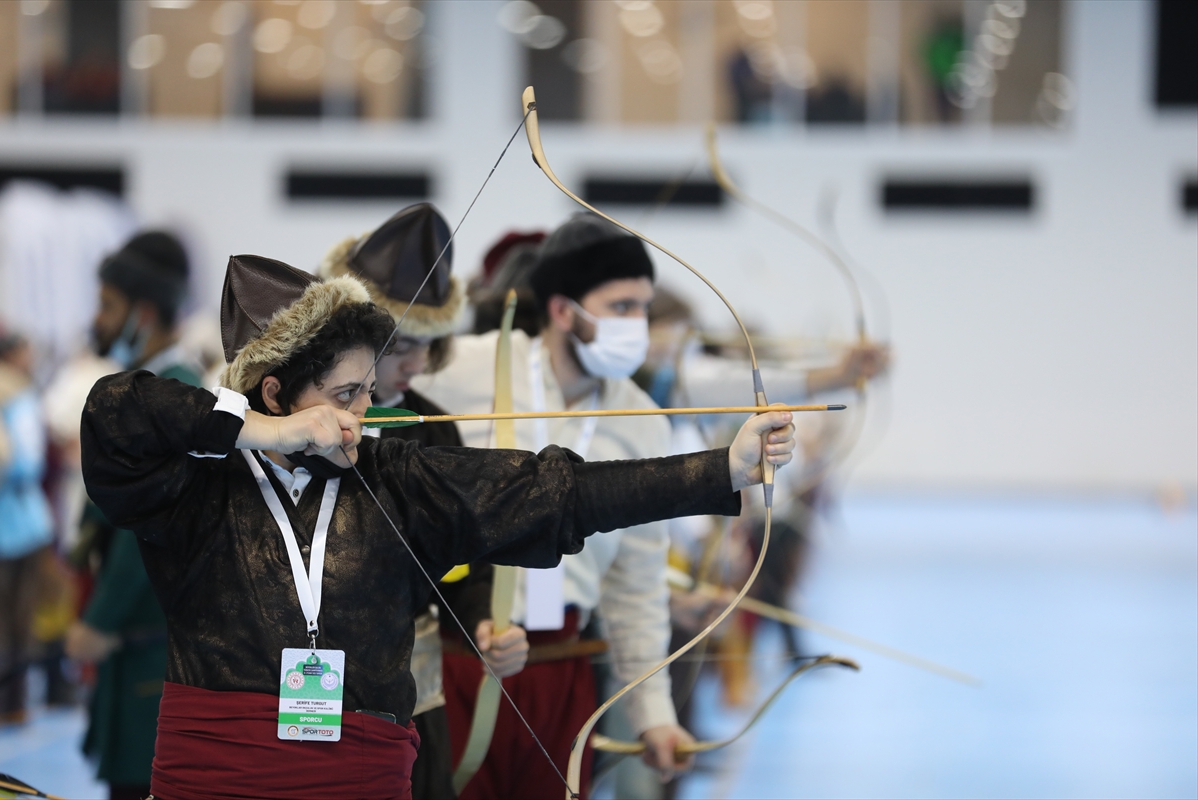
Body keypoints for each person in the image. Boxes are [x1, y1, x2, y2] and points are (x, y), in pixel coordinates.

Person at [79, 253, 796, 800]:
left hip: (357, 772)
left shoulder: (395, 476)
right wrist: (267, 432)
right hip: (214, 770)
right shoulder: (194, 486)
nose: (364, 412)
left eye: (367, 389)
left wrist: (719, 471)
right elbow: (117, 410)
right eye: (345, 394)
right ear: (275, 393)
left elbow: (557, 492)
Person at [413, 213, 702, 797]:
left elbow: (636, 585)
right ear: (563, 311)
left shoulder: (642, 420)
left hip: (565, 667)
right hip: (462, 658)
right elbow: (377, 389)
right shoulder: (468, 370)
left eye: (643, 308)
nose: (637, 325)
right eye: (620, 307)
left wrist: (654, 716)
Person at [319, 203, 530, 800]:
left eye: (428, 346)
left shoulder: (431, 429)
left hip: (413, 693)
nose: (416, 363)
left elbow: (466, 556)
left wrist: (487, 621)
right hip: (307, 687)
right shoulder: (291, 427)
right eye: (401, 344)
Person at [65, 230, 202, 800]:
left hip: (150, 640)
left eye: (107, 306)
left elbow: (137, 529)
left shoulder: (172, 392)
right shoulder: (149, 387)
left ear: (143, 315)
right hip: (137, 640)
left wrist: (99, 620)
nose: (96, 320)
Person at [0, 323, 54, 727]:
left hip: (19, 524)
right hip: (21, 523)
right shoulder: (19, 394)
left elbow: (24, 463)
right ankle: (13, 702)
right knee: (13, 621)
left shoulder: (19, 395)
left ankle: (13, 703)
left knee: (16, 621)